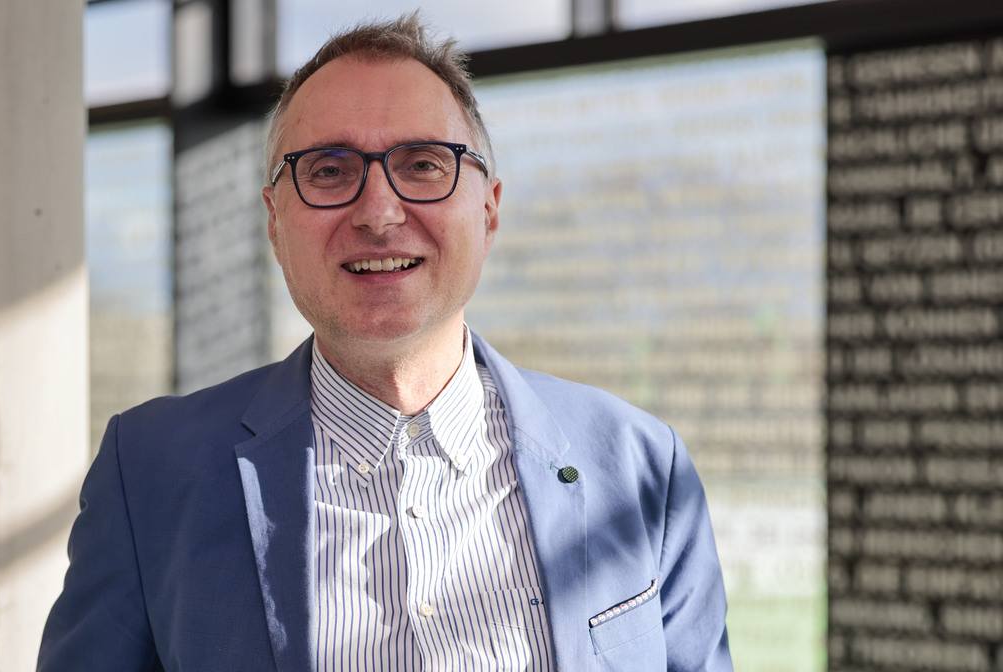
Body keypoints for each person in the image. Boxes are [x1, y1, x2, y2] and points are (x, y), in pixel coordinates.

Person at [39, 14, 731, 672]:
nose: (378, 213)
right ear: (275, 221)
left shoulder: (642, 468)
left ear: (488, 207)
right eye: (330, 170)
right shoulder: (151, 472)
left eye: (424, 164)